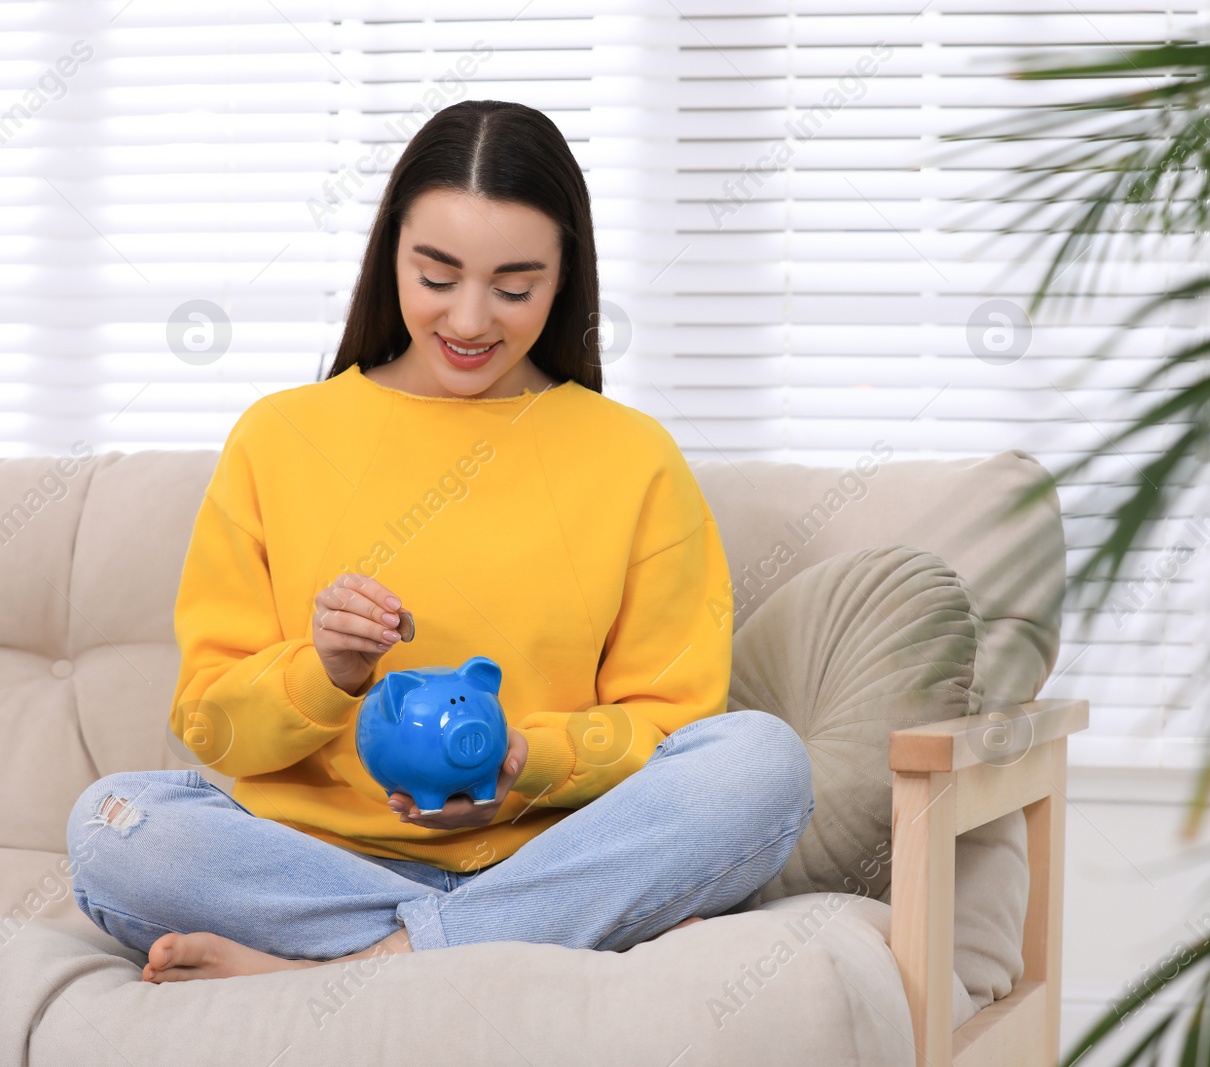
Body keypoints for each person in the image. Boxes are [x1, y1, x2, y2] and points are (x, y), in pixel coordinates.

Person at [63, 100, 814, 983]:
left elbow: (671, 725)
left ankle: (367, 963)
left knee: (763, 763)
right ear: (392, 258)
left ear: (565, 277)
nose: (468, 321)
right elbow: (209, 726)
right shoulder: (278, 436)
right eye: (438, 275)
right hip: (315, 866)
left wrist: (528, 761)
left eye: (514, 287)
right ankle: (485, 942)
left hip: (549, 856)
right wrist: (326, 671)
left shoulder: (632, 456)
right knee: (112, 821)